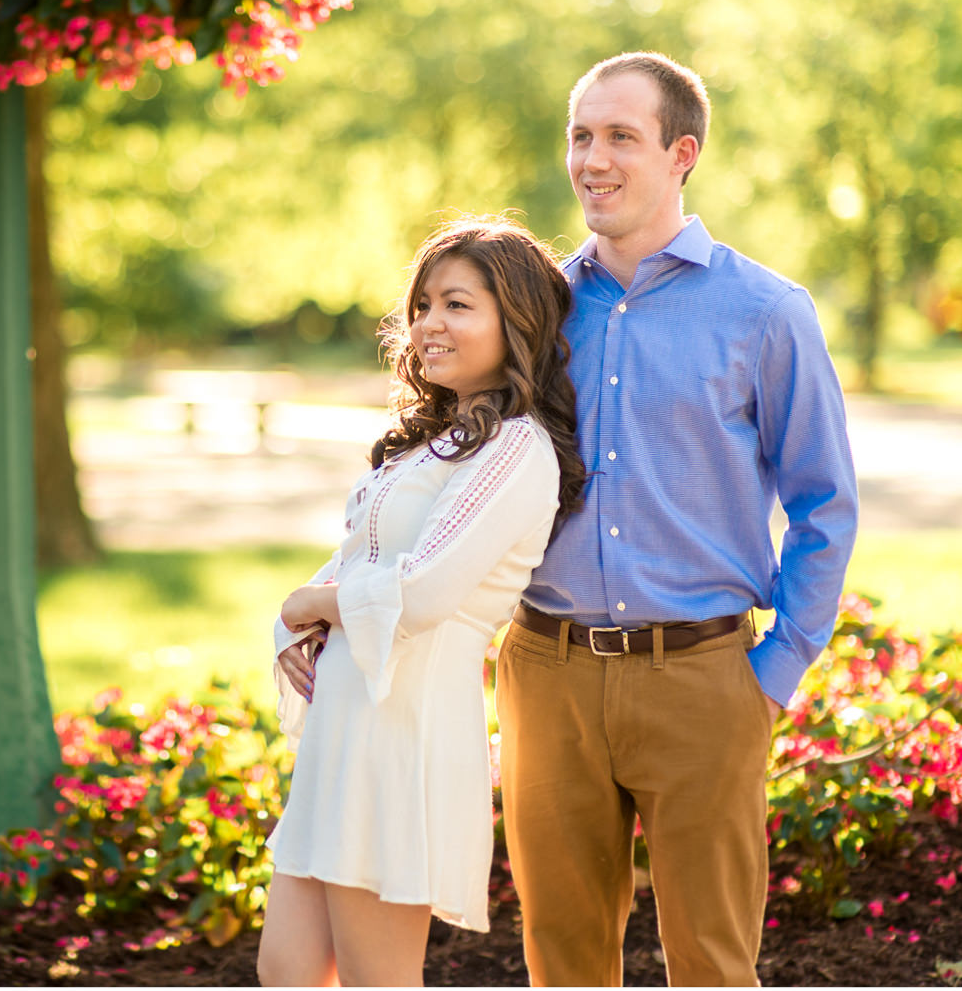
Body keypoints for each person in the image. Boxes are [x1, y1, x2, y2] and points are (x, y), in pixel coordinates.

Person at [501, 51, 856, 988]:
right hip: (546, 673)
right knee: (564, 963)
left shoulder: (766, 311)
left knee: (712, 963)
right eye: (580, 136)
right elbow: (453, 458)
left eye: (621, 136)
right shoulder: (534, 306)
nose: (593, 159)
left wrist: (774, 673)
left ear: (681, 153)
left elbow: (825, 501)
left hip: (705, 679)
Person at [256, 219, 586, 987]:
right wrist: (298, 616)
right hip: (347, 729)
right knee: (288, 972)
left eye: (458, 305)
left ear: (517, 323)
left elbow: (426, 590)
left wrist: (314, 601)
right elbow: (352, 565)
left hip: (403, 735)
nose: (429, 324)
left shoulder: (516, 448)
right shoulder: (430, 445)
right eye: (424, 304)